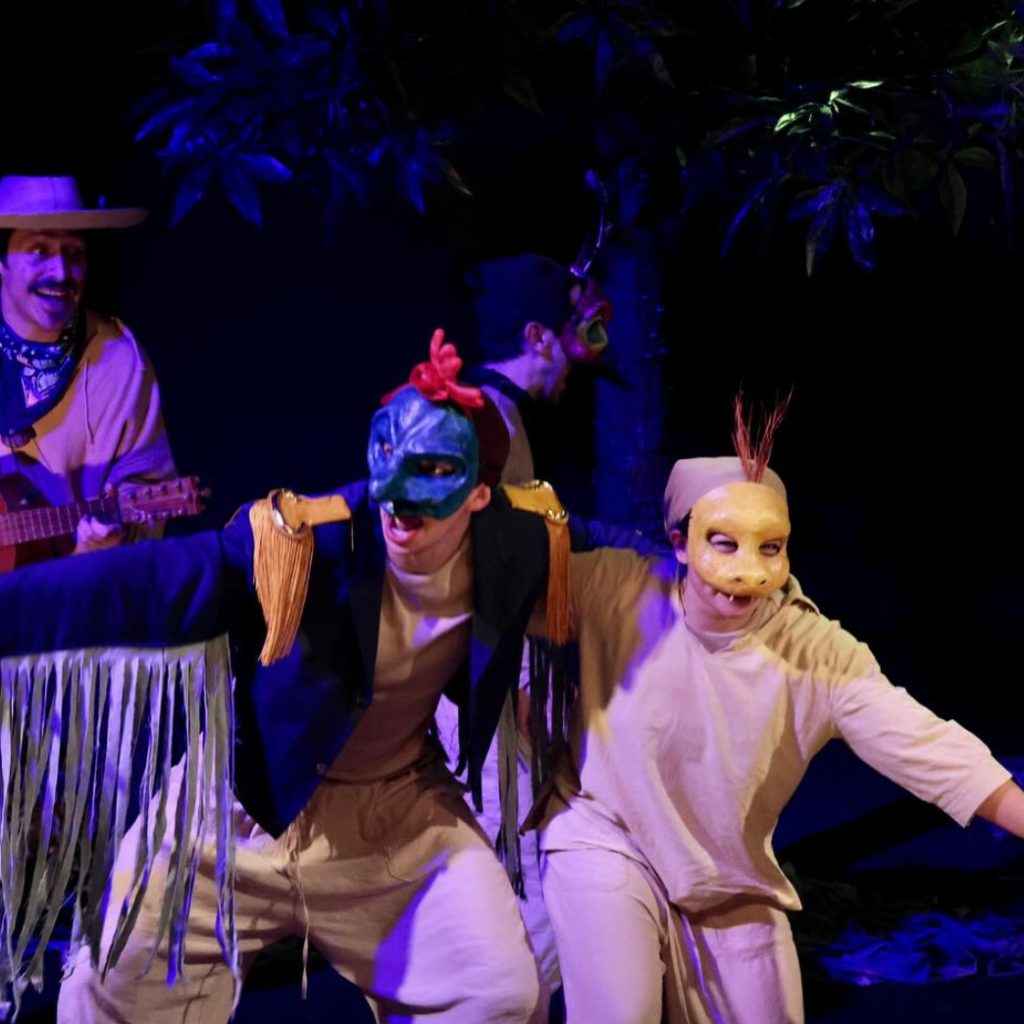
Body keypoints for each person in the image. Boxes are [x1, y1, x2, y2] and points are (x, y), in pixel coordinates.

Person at [531, 409, 1024, 1024]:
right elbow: (490, 592)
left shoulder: (813, 651)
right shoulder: (615, 588)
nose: (748, 571)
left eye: (770, 547)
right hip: (604, 836)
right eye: (723, 542)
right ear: (681, 543)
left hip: (726, 876)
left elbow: (928, 747)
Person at [0, 174, 175, 559]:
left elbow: (147, 492)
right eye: (40, 251)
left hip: (79, 588)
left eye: (75, 252)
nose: (62, 273)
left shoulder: (120, 362)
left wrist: (110, 543)